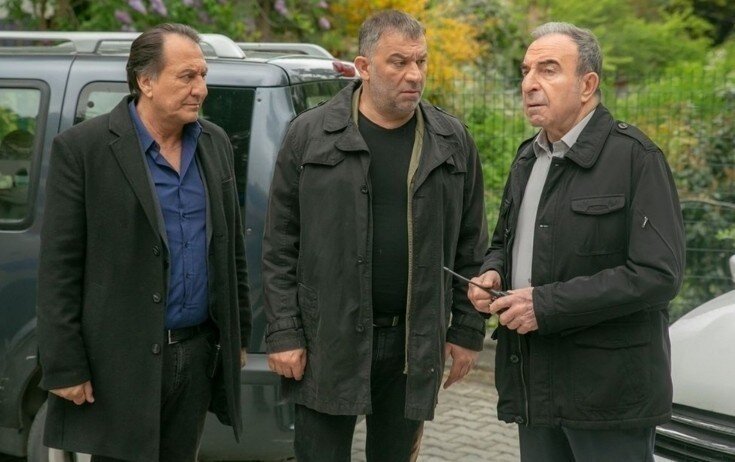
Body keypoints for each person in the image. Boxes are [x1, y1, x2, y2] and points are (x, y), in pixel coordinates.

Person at [262, 9, 488, 462]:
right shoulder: (310, 135)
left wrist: (467, 329)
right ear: (364, 66)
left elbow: (472, 244)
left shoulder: (450, 140)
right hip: (328, 339)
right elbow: (280, 245)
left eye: (421, 61)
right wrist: (285, 333)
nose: (414, 74)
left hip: (411, 344)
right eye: (398, 62)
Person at [468, 22, 685, 461]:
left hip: (610, 398)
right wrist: (493, 272)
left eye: (548, 70)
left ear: (587, 85)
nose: (529, 84)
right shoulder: (527, 158)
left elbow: (658, 275)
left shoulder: (636, 158)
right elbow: (504, 242)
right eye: (526, 71)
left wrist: (544, 304)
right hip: (536, 388)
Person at [37, 23, 251, 462]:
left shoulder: (214, 144)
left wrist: (238, 336)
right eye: (187, 76)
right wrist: (65, 365)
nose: (201, 89)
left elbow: (231, 252)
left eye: (203, 75)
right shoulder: (83, 149)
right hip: (118, 362)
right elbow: (60, 267)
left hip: (195, 355)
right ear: (146, 81)